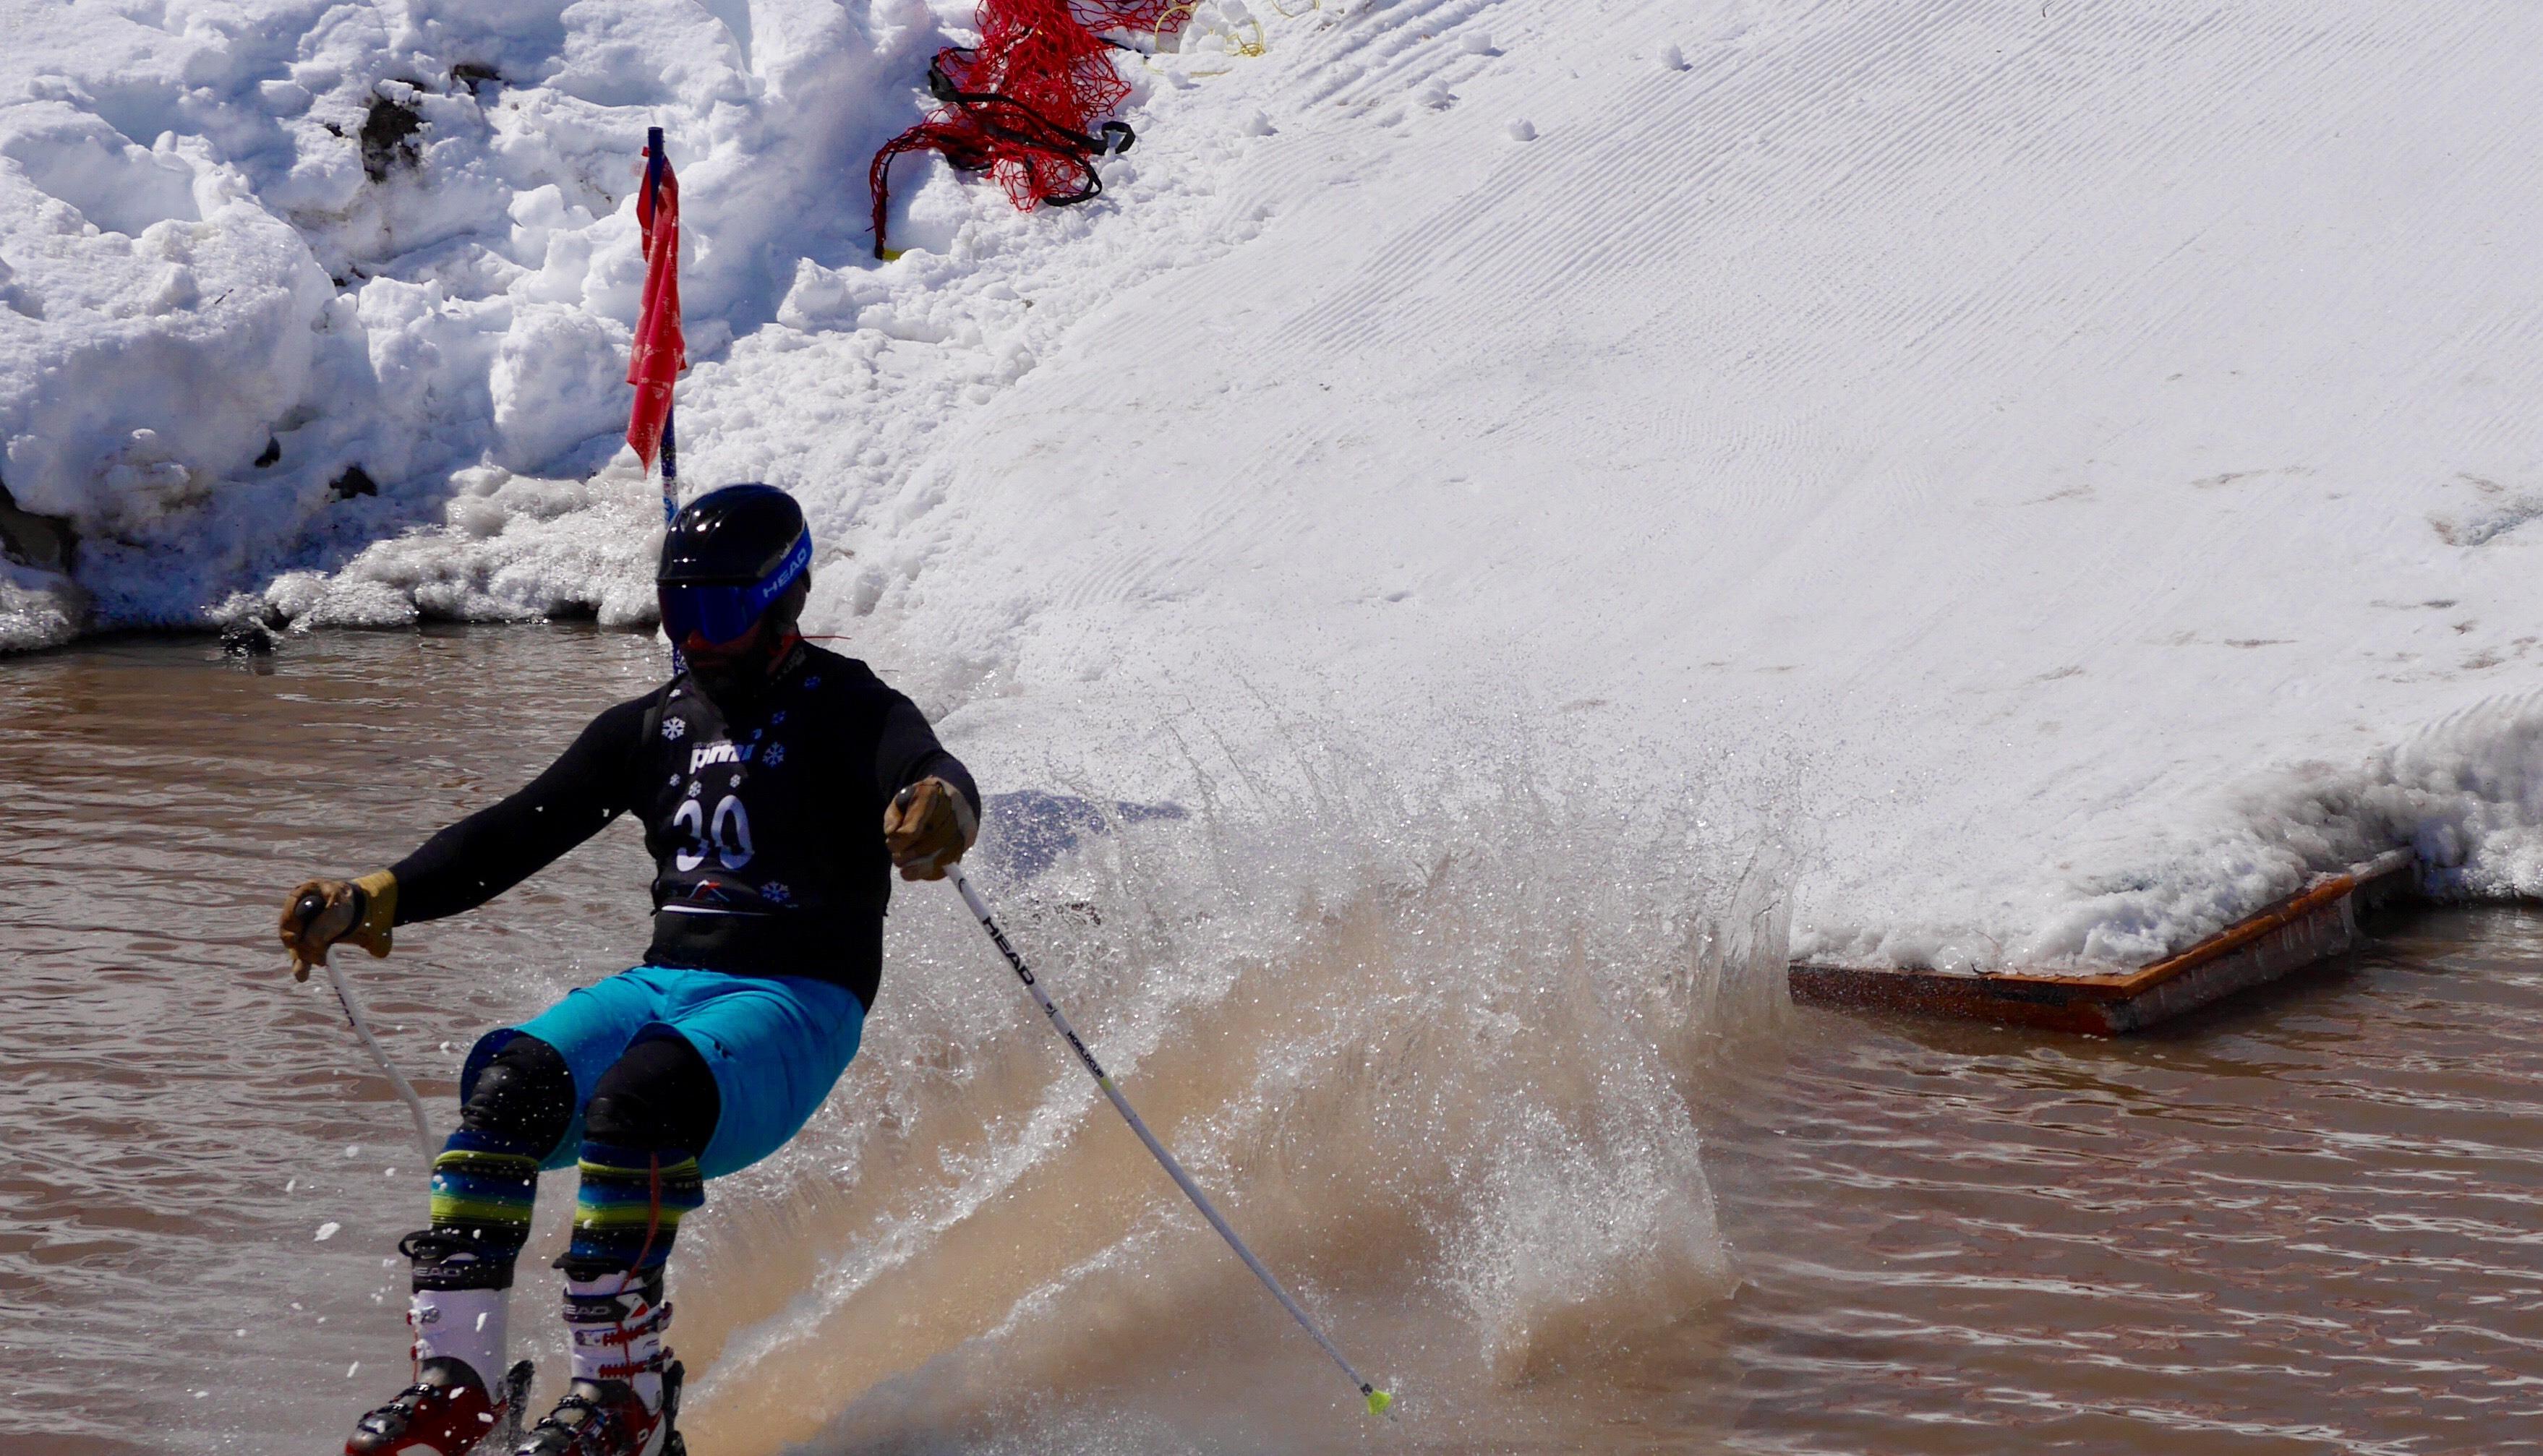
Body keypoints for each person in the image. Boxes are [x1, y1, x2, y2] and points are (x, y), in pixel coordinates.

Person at [280, 484, 980, 1456]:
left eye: (720, 615)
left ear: (787, 604)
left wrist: (939, 805)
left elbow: (930, 768)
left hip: (793, 1005)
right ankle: (459, 1380)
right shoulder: (652, 724)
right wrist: (372, 897)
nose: (696, 640)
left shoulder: (850, 707)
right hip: (670, 985)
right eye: (678, 613)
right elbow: (513, 833)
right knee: (507, 1085)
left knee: (636, 1097)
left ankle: (626, 1392)